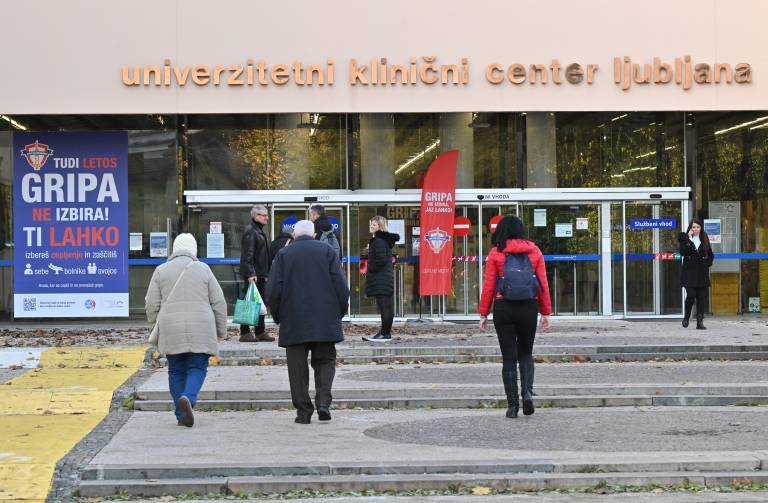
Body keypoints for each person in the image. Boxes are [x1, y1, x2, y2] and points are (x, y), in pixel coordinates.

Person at [267, 220, 350, 424]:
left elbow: (274, 289)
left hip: (293, 318)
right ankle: (323, 403)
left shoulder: (284, 254)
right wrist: (338, 313)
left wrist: (278, 316)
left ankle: (303, 412)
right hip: (325, 318)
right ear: (314, 235)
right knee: (326, 361)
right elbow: (341, 286)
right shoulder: (327, 251)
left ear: (294, 236)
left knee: (297, 369)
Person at [145, 233, 227, 427]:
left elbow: (151, 303)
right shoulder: (203, 269)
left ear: (174, 248)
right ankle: (188, 398)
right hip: (201, 325)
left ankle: (181, 415)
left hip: (170, 326)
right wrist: (221, 330)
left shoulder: (161, 270)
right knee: (197, 367)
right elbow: (219, 302)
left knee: (175, 370)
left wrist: (155, 326)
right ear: (194, 249)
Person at [478, 215, 552, 419]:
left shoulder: (496, 252)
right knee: (526, 353)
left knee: (509, 358)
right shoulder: (534, 251)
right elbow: (542, 284)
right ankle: (527, 393)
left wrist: (483, 313)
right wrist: (545, 312)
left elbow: (489, 286)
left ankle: (512, 405)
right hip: (528, 307)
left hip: (504, 308)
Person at [239, 205, 275, 342]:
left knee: (260, 303)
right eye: (263, 215)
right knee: (249, 302)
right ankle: (245, 332)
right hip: (253, 275)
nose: (267, 217)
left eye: (267, 215)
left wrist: (265, 274)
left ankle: (260, 331)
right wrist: (250, 273)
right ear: (255, 216)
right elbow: (247, 255)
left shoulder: (257, 231)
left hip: (260, 274)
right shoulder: (251, 231)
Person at [362, 216, 399, 342]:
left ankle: (385, 333)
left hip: (381, 278)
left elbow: (380, 259)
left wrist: (370, 269)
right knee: (385, 306)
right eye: (371, 224)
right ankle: (384, 333)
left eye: (374, 224)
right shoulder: (381, 240)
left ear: (380, 226)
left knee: (385, 306)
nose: (371, 226)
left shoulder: (379, 241)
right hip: (383, 277)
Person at [678, 219, 715, 329]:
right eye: (694, 227)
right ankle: (686, 317)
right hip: (689, 272)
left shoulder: (704, 237)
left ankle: (700, 322)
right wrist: (689, 239)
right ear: (690, 228)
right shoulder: (684, 238)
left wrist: (707, 263)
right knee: (691, 295)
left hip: (701, 272)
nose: (696, 229)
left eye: (698, 227)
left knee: (701, 297)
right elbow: (683, 252)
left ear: (701, 228)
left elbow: (710, 254)